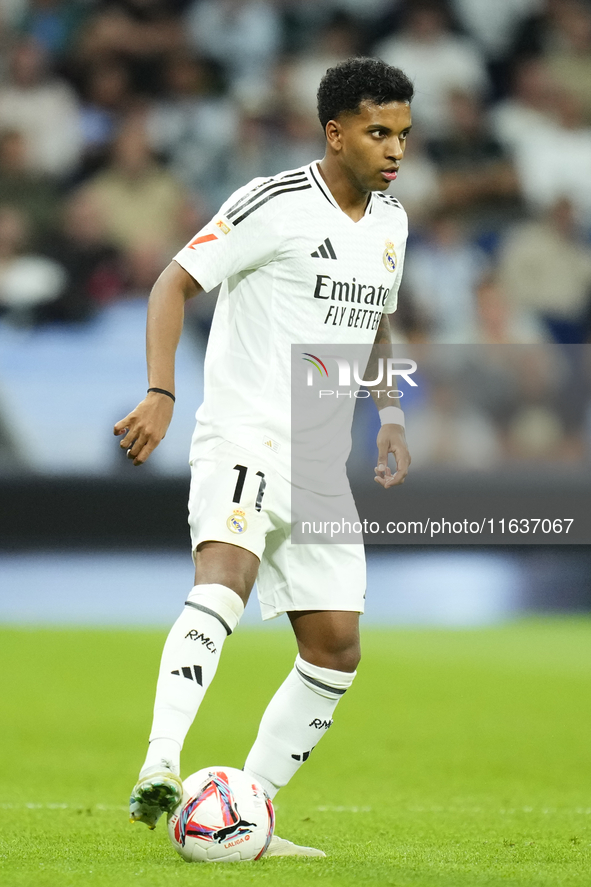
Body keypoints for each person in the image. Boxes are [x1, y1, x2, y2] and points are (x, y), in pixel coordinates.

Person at [114, 56, 413, 858]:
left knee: (336, 645)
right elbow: (171, 284)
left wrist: (387, 412)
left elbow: (374, 323)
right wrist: (160, 393)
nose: (393, 150)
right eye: (377, 132)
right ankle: (160, 763)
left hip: (320, 457)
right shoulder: (271, 202)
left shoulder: (392, 225)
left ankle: (248, 810)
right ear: (335, 131)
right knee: (226, 577)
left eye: (403, 135)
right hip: (247, 431)